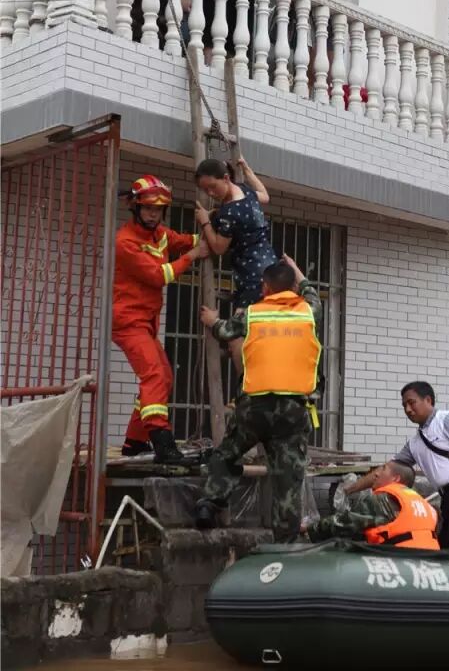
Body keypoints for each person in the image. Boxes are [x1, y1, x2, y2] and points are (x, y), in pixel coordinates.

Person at [196, 255, 322, 540]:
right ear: (293, 287)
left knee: (226, 454)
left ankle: (210, 503)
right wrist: (295, 268)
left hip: (254, 408)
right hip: (292, 411)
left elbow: (224, 330)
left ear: (265, 287)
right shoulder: (309, 312)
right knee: (288, 480)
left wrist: (211, 320)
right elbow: (310, 290)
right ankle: (286, 542)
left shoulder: (253, 313)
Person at [112, 175, 209, 463]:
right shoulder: (125, 242)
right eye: (148, 208)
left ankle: (134, 442)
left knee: (163, 378)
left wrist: (214, 226)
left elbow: (189, 240)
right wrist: (192, 256)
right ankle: (163, 445)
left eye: (158, 209)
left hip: (146, 322)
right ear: (136, 207)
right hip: (128, 322)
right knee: (154, 375)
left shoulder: (161, 235)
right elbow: (158, 276)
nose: (153, 214)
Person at [346, 381, 449, 551]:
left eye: (412, 402)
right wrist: (350, 489)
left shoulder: (445, 419)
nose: (408, 409)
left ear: (428, 400)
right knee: (446, 548)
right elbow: (387, 469)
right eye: (404, 405)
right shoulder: (415, 444)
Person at [194, 158, 277, 369]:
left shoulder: (229, 213)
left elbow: (218, 247)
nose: (210, 193)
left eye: (213, 187)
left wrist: (205, 221)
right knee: (260, 332)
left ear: (225, 178)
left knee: (236, 337)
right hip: (270, 269)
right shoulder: (245, 191)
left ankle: (245, 383)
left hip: (251, 276)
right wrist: (248, 170)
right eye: (205, 190)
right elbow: (265, 195)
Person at [303, 461, 439, 548]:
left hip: (399, 560)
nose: (376, 474)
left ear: (395, 479)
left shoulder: (384, 499)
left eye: (383, 469)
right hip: (428, 561)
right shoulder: (424, 505)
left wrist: (309, 530)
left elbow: (344, 522)